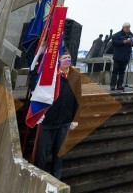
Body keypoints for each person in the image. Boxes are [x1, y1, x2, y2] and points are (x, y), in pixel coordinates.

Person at [35, 51, 81, 179]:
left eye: (69, 57)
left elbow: (78, 99)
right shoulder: (51, 75)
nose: (68, 59)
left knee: (59, 154)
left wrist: (75, 119)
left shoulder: (75, 77)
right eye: (65, 57)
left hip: (65, 121)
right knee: (42, 153)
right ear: (59, 60)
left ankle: (56, 178)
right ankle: (39, 178)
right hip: (49, 120)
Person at [110, 23, 133, 91]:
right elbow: (114, 42)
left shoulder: (131, 34)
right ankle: (112, 85)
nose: (128, 29)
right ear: (123, 28)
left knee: (122, 71)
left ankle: (119, 85)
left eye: (129, 28)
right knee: (115, 70)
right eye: (126, 28)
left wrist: (132, 42)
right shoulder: (117, 34)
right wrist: (123, 42)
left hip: (126, 56)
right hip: (118, 56)